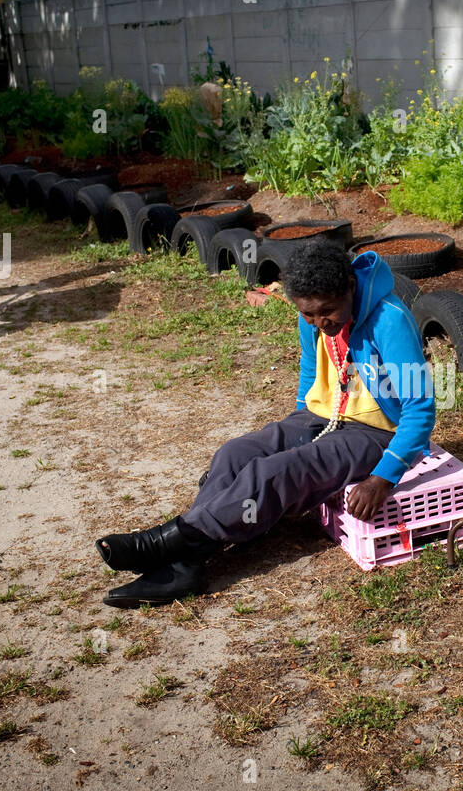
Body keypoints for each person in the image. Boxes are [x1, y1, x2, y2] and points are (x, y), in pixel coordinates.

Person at [97, 237, 437, 608]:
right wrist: (296, 424)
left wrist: (382, 478)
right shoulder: (310, 313)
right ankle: (188, 562)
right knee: (235, 454)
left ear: (350, 287)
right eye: (309, 314)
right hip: (322, 415)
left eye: (329, 311)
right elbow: (311, 370)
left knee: (274, 473)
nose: (320, 322)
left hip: (376, 432)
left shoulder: (389, 320)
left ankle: (161, 545)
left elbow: (420, 408)